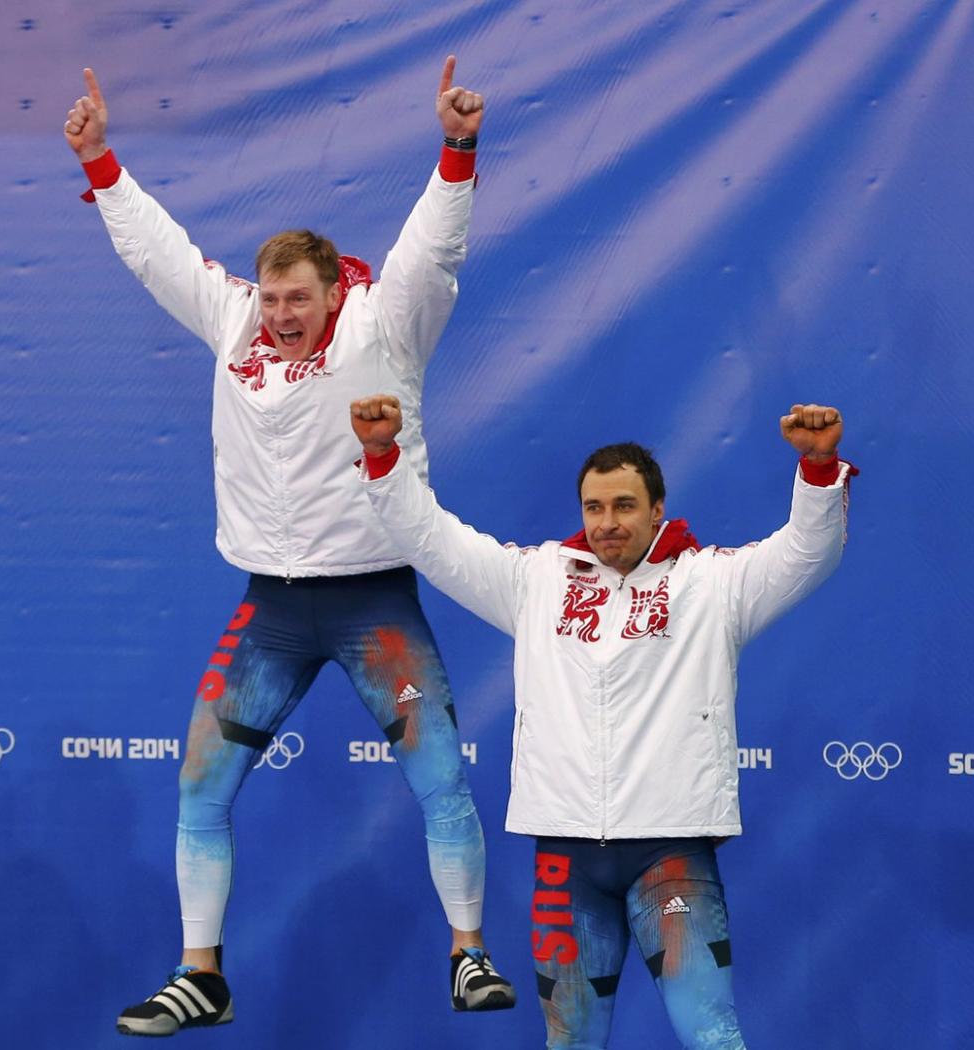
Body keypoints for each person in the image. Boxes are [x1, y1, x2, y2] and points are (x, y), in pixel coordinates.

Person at [62, 58, 515, 1035]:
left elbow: (433, 249)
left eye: (296, 300)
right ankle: (202, 976)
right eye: (270, 300)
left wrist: (457, 147)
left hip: (372, 603)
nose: (278, 317)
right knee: (198, 786)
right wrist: (100, 160)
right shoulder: (236, 324)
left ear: (332, 293)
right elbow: (160, 254)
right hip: (271, 608)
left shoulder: (384, 326)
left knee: (440, 777)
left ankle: (469, 955)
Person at [347, 394, 856, 1049]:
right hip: (567, 858)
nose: (607, 522)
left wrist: (818, 470)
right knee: (570, 1042)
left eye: (623, 506)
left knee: (712, 1034)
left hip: (671, 850)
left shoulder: (713, 583)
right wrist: (382, 457)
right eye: (594, 508)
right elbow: (432, 539)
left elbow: (808, 553)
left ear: (657, 509)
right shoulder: (536, 581)